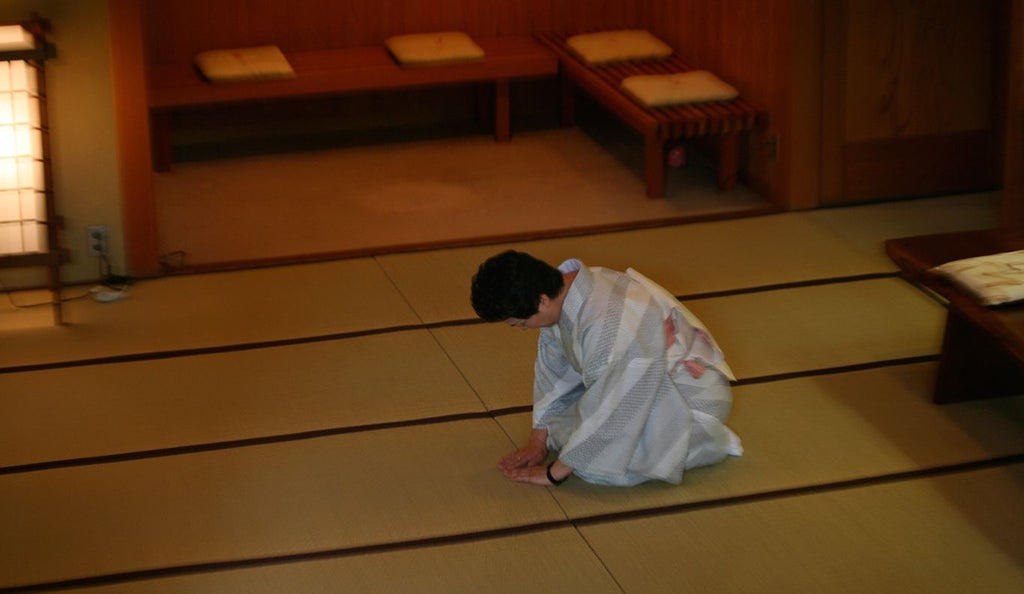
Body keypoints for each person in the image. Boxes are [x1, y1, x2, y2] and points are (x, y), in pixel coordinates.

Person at [470, 250, 742, 487]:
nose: (523, 329)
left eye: (520, 323)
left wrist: (555, 473)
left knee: (598, 467)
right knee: (567, 430)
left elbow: (617, 404)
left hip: (691, 395)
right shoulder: (570, 288)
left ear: (541, 300)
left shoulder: (607, 325)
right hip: (637, 378)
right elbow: (553, 370)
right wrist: (538, 440)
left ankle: (707, 440)